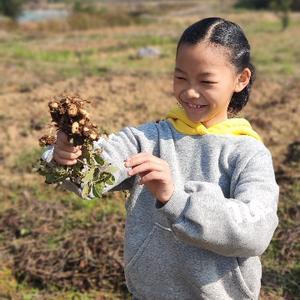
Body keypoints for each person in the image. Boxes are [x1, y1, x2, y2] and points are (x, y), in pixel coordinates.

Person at [42, 17, 279, 300]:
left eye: (206, 81)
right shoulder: (148, 139)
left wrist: (175, 199)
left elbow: (255, 232)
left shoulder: (247, 153)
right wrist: (67, 158)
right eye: (181, 77)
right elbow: (92, 174)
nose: (190, 92)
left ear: (241, 79)